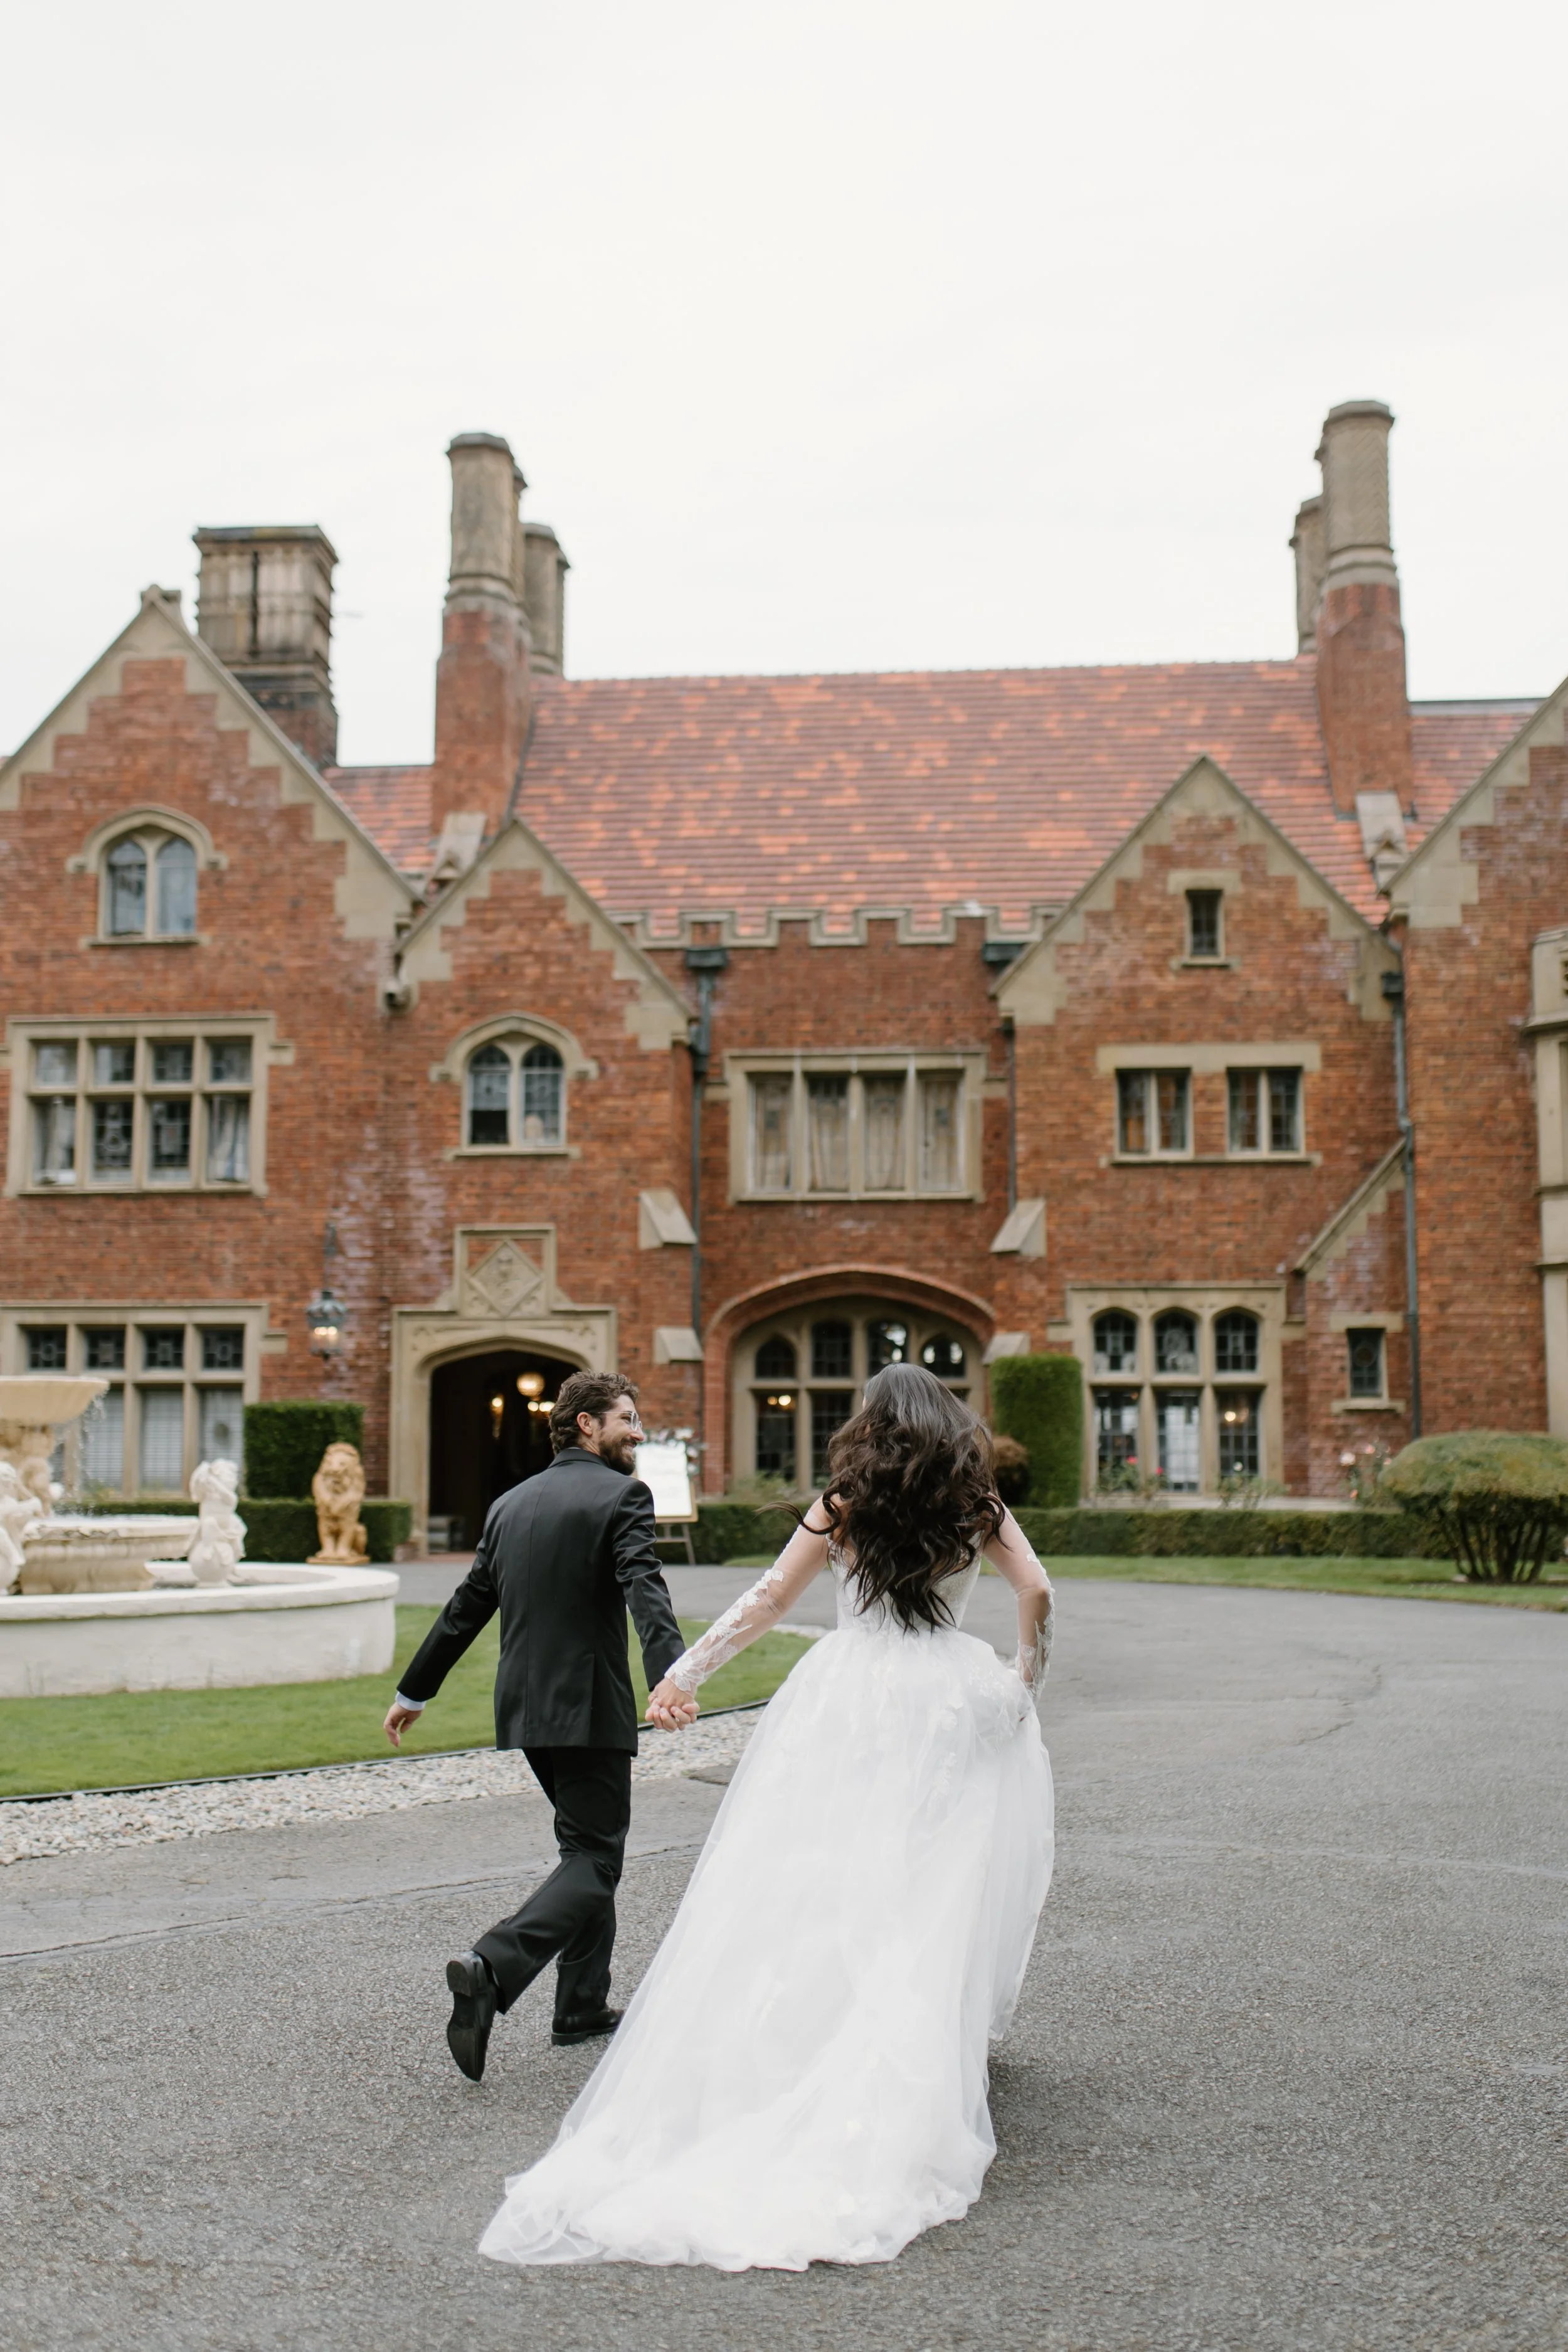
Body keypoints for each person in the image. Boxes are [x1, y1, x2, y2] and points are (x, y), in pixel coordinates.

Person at [477, 1360, 1055, 2273]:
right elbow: (1037, 1591)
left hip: (848, 1692)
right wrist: (1022, 1678)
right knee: (931, 1873)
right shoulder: (973, 1499)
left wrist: (681, 1674)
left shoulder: (846, 1498)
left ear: (869, 1422)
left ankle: (804, 2036)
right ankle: (914, 2046)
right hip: (947, 1699)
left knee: (817, 1866)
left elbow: (767, 1601)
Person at [383, 1370, 688, 2076]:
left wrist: (414, 1690)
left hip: (524, 1709)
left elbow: (466, 1607)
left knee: (583, 1847)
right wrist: (673, 1674)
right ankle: (491, 1966)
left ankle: (580, 2007)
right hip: (586, 1707)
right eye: (627, 1419)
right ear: (586, 1424)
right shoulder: (622, 1496)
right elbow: (647, 1588)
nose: (638, 1432)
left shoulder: (509, 1504)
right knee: (596, 1857)